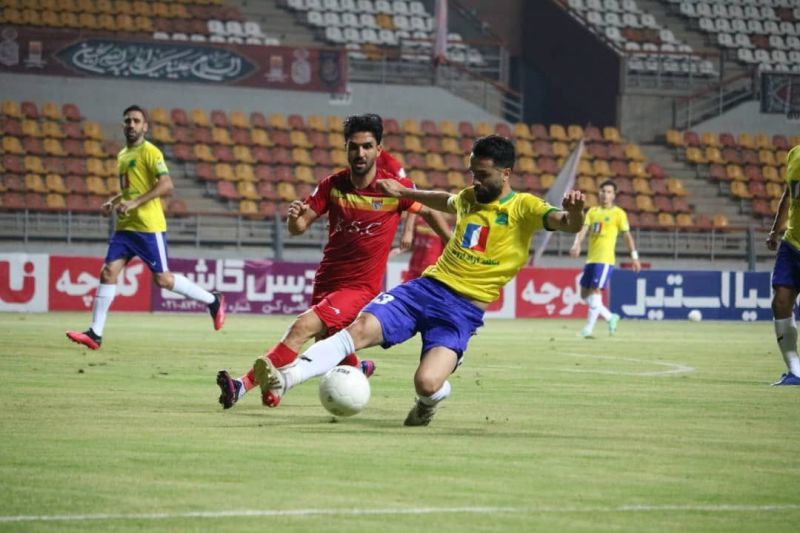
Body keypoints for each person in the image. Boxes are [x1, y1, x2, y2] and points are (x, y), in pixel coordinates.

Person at [251, 135, 586, 426]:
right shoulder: (470, 197)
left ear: (506, 173)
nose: (476, 181)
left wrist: (575, 213)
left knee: (426, 383)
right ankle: (286, 379)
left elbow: (566, 223)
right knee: (359, 329)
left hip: (461, 312)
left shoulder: (524, 207)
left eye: (483, 175)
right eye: (473, 173)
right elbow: (443, 199)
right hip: (426, 289)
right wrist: (403, 192)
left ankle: (429, 403)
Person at [216, 113, 451, 409]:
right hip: (326, 280)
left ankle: (241, 385)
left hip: (360, 289)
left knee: (301, 328)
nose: (360, 153)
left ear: (379, 150)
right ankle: (355, 368)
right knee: (328, 345)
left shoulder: (393, 188)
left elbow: (429, 209)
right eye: (354, 146)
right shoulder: (332, 185)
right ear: (346, 148)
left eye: (367, 146)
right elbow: (299, 228)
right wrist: (294, 218)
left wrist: (450, 243)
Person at [66, 105, 224, 350]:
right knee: (108, 272)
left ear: (145, 126)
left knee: (163, 279)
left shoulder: (151, 152)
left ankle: (213, 300)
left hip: (148, 227)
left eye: (136, 121)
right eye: (128, 120)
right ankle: (95, 334)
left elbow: (166, 185)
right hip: (125, 227)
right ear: (123, 125)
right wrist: (115, 201)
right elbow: (132, 190)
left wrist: (134, 203)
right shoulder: (123, 155)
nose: (131, 124)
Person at [568, 179, 641, 338]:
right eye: (603, 191)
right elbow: (583, 230)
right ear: (598, 193)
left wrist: (634, 257)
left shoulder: (618, 214)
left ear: (614, 195)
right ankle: (610, 317)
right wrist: (576, 244)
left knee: (595, 291)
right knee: (584, 295)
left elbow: (627, 236)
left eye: (609, 192)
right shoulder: (592, 211)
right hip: (591, 260)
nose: (605, 195)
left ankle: (588, 330)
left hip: (605, 260)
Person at [766, 144, 800, 386]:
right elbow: (789, 194)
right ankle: (795, 370)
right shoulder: (794, 154)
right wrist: (775, 230)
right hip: (793, 243)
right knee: (780, 302)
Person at [393, 214, 451, 282]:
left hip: (431, 270)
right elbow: (412, 241)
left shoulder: (442, 221)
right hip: (414, 269)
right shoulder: (418, 220)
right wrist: (399, 250)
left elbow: (448, 245)